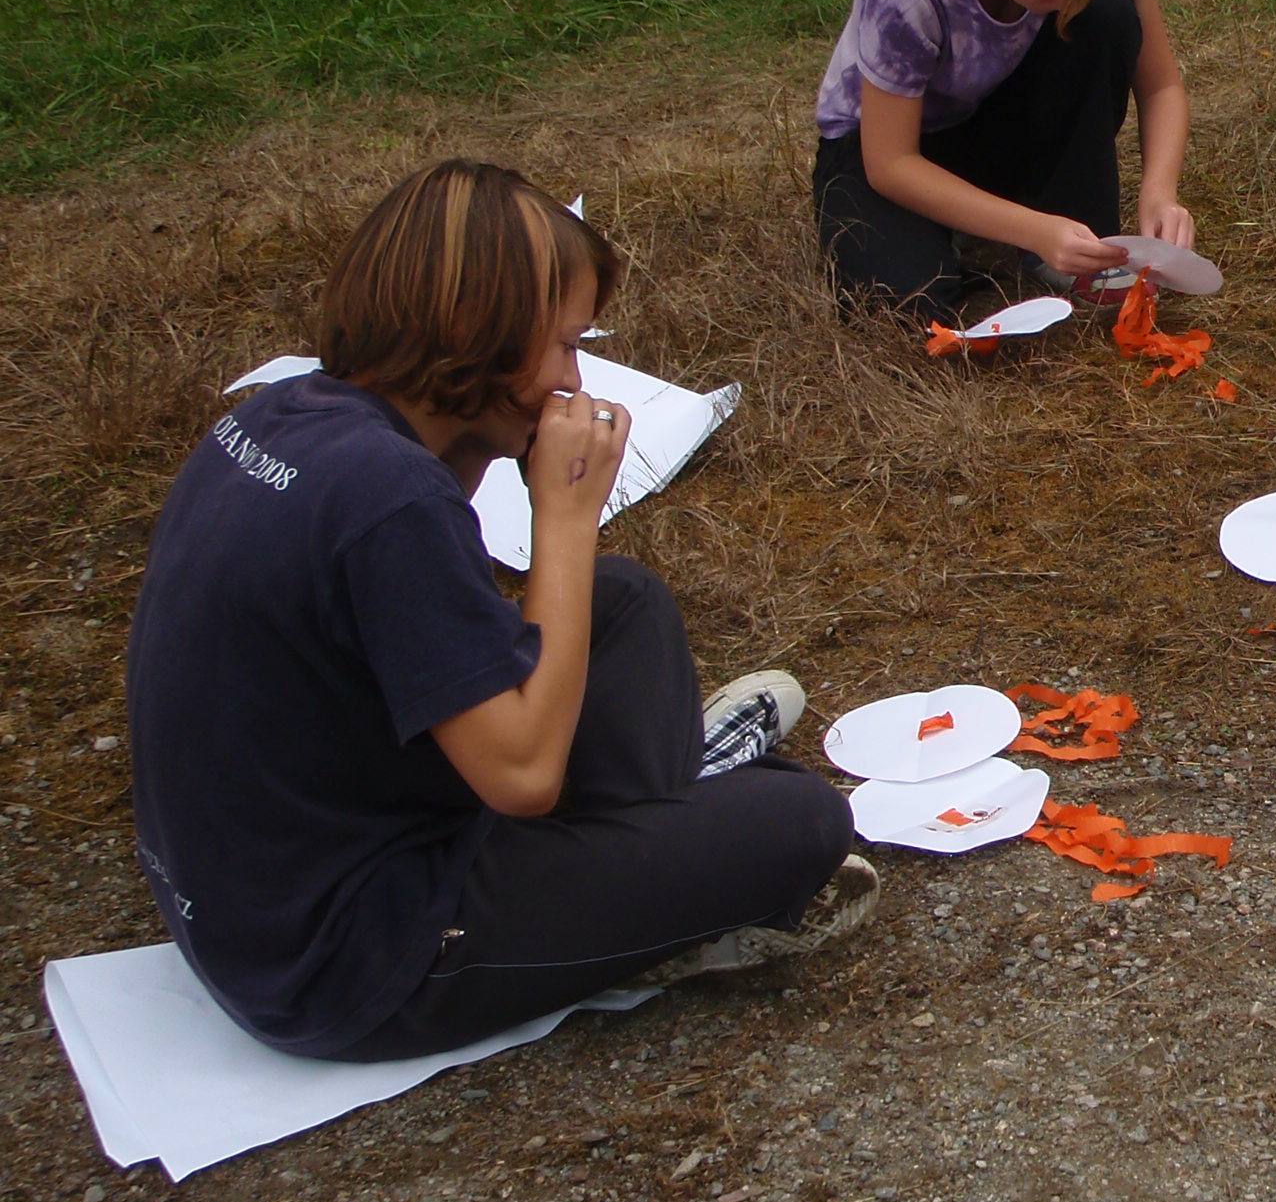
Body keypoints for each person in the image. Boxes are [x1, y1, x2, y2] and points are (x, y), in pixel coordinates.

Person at [126, 160, 874, 1062]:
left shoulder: (289, 415)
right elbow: (522, 777)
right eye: (563, 346)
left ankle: (652, 850)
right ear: (473, 337)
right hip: (351, 959)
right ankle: (665, 877)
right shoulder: (389, 498)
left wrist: (497, 436)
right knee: (800, 821)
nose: (574, 378)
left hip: (256, 891)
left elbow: (420, 618)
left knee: (621, 601)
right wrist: (565, 514)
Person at [812, 0, 1195, 318]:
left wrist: (1159, 192)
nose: (1065, 0)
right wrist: (1034, 229)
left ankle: (1065, 224)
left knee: (1105, 10)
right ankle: (976, 227)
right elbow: (890, 163)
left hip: (994, 114)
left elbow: (1161, 86)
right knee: (910, 306)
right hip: (888, 147)